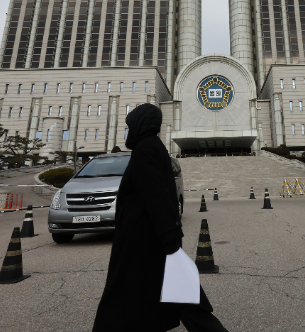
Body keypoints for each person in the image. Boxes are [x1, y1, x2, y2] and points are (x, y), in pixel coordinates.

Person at [93, 103, 228, 332]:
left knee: (126, 296)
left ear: (140, 124)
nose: (129, 131)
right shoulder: (154, 146)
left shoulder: (145, 149)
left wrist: (170, 237)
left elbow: (154, 194)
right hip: (154, 237)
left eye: (130, 126)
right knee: (179, 297)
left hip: (144, 241)